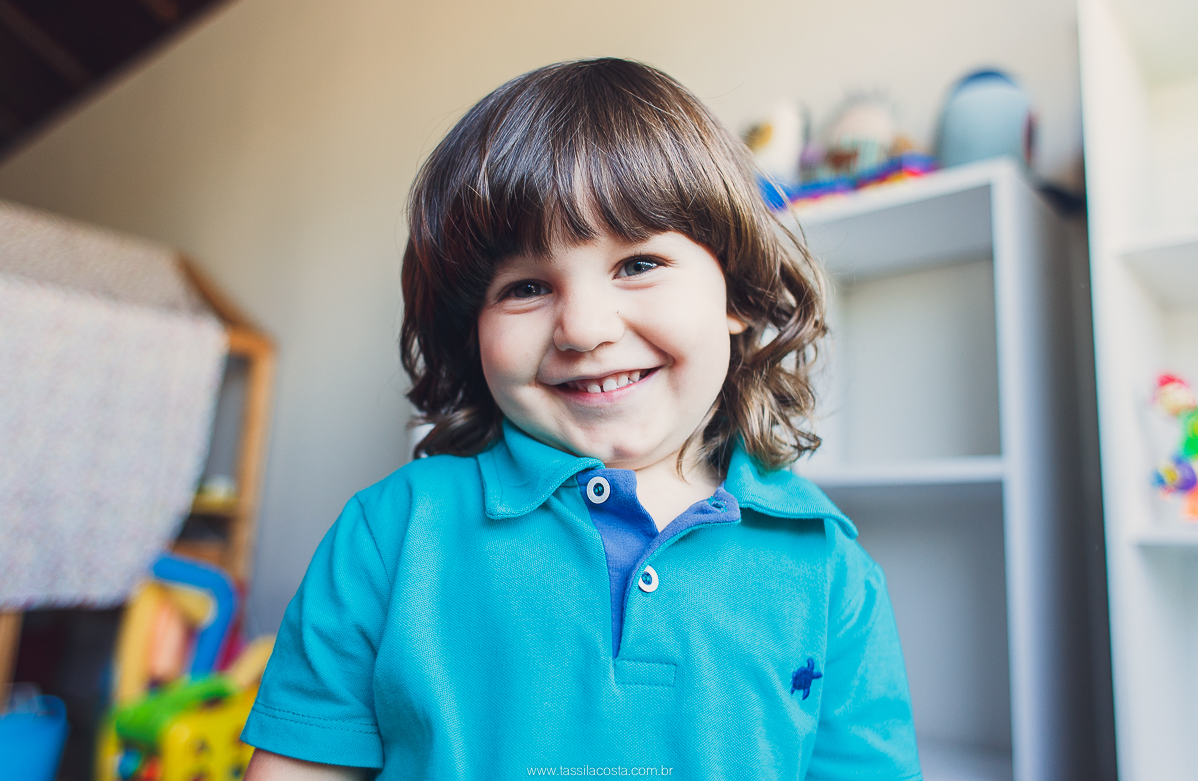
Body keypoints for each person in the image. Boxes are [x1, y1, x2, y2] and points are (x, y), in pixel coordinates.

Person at [242, 58, 920, 781]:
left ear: (736, 292)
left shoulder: (830, 568)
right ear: (471, 328)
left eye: (638, 264)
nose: (585, 329)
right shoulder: (389, 534)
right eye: (527, 287)